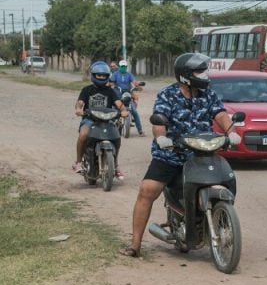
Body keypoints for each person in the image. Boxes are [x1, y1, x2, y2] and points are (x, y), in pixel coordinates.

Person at [117, 53, 241, 258]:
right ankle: (135, 245)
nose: (204, 75)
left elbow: (220, 113)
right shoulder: (168, 94)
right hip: (171, 155)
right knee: (147, 190)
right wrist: (161, 138)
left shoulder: (207, 94)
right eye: (199, 71)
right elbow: (159, 120)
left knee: (226, 179)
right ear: (185, 75)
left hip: (202, 155)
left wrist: (231, 132)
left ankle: (216, 222)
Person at [73, 61, 129, 178]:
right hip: (90, 119)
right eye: (99, 75)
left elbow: (119, 103)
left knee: (117, 138)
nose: (101, 77)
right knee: (83, 135)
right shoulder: (87, 90)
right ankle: (78, 162)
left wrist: (123, 110)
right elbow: (80, 102)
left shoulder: (110, 91)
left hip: (107, 120)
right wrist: (78, 109)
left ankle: (116, 165)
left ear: (108, 76)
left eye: (104, 75)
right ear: (93, 75)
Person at [109, 59, 145, 136]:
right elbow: (111, 82)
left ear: (126, 67)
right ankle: (109, 129)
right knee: (112, 110)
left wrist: (137, 84)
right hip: (117, 96)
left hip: (127, 95)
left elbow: (134, 82)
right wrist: (111, 84)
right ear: (119, 66)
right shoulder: (115, 74)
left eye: (125, 66)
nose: (123, 68)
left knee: (134, 111)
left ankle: (140, 131)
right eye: (122, 66)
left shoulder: (129, 74)